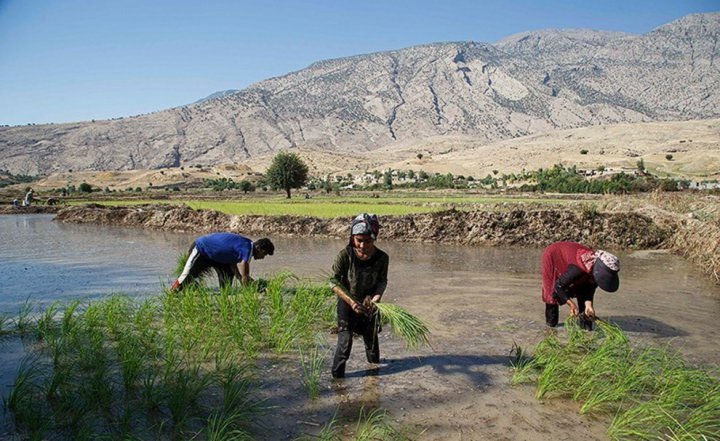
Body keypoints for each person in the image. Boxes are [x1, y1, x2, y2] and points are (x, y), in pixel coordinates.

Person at [330, 213, 389, 378]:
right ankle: (337, 380)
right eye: (359, 240)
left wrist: (376, 298)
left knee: (371, 341)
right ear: (352, 238)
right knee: (344, 342)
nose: (363, 245)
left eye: (368, 241)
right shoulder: (345, 256)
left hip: (370, 305)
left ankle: (375, 374)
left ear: (374, 238)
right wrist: (351, 302)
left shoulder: (382, 258)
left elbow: (382, 281)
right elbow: (333, 283)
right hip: (347, 302)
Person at [541, 241, 620, 330]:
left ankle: (585, 330)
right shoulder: (578, 269)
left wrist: (589, 305)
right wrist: (571, 304)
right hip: (554, 255)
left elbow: (588, 289)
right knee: (551, 296)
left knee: (587, 319)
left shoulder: (596, 272)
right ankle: (550, 328)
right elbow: (558, 286)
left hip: (573, 262)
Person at [170, 232, 274, 291]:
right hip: (201, 249)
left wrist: (239, 276)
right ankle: (171, 294)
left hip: (217, 257)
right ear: (259, 248)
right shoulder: (247, 249)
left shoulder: (246, 245)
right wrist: (253, 289)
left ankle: (224, 296)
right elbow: (245, 276)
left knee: (228, 275)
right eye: (264, 255)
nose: (262, 258)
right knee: (187, 276)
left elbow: (232, 262)